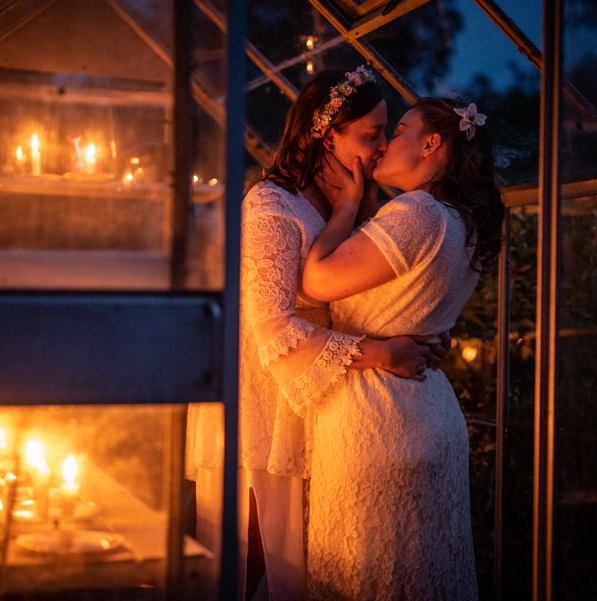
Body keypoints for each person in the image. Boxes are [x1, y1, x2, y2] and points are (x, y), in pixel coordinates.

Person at [186, 68, 456, 601]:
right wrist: (383, 354)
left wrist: (418, 336)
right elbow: (269, 325)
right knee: (258, 559)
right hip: (262, 408)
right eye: (370, 135)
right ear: (324, 133)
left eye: (385, 133)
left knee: (311, 563)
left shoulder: (348, 204)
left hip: (329, 404)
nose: (380, 149)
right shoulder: (271, 206)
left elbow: (360, 300)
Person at [301, 97, 504, 600]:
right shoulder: (466, 221)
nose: (387, 142)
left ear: (432, 144)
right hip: (430, 407)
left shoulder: (416, 211)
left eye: (402, 129)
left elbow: (318, 279)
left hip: (377, 419)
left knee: (372, 575)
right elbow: (414, 308)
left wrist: (346, 205)